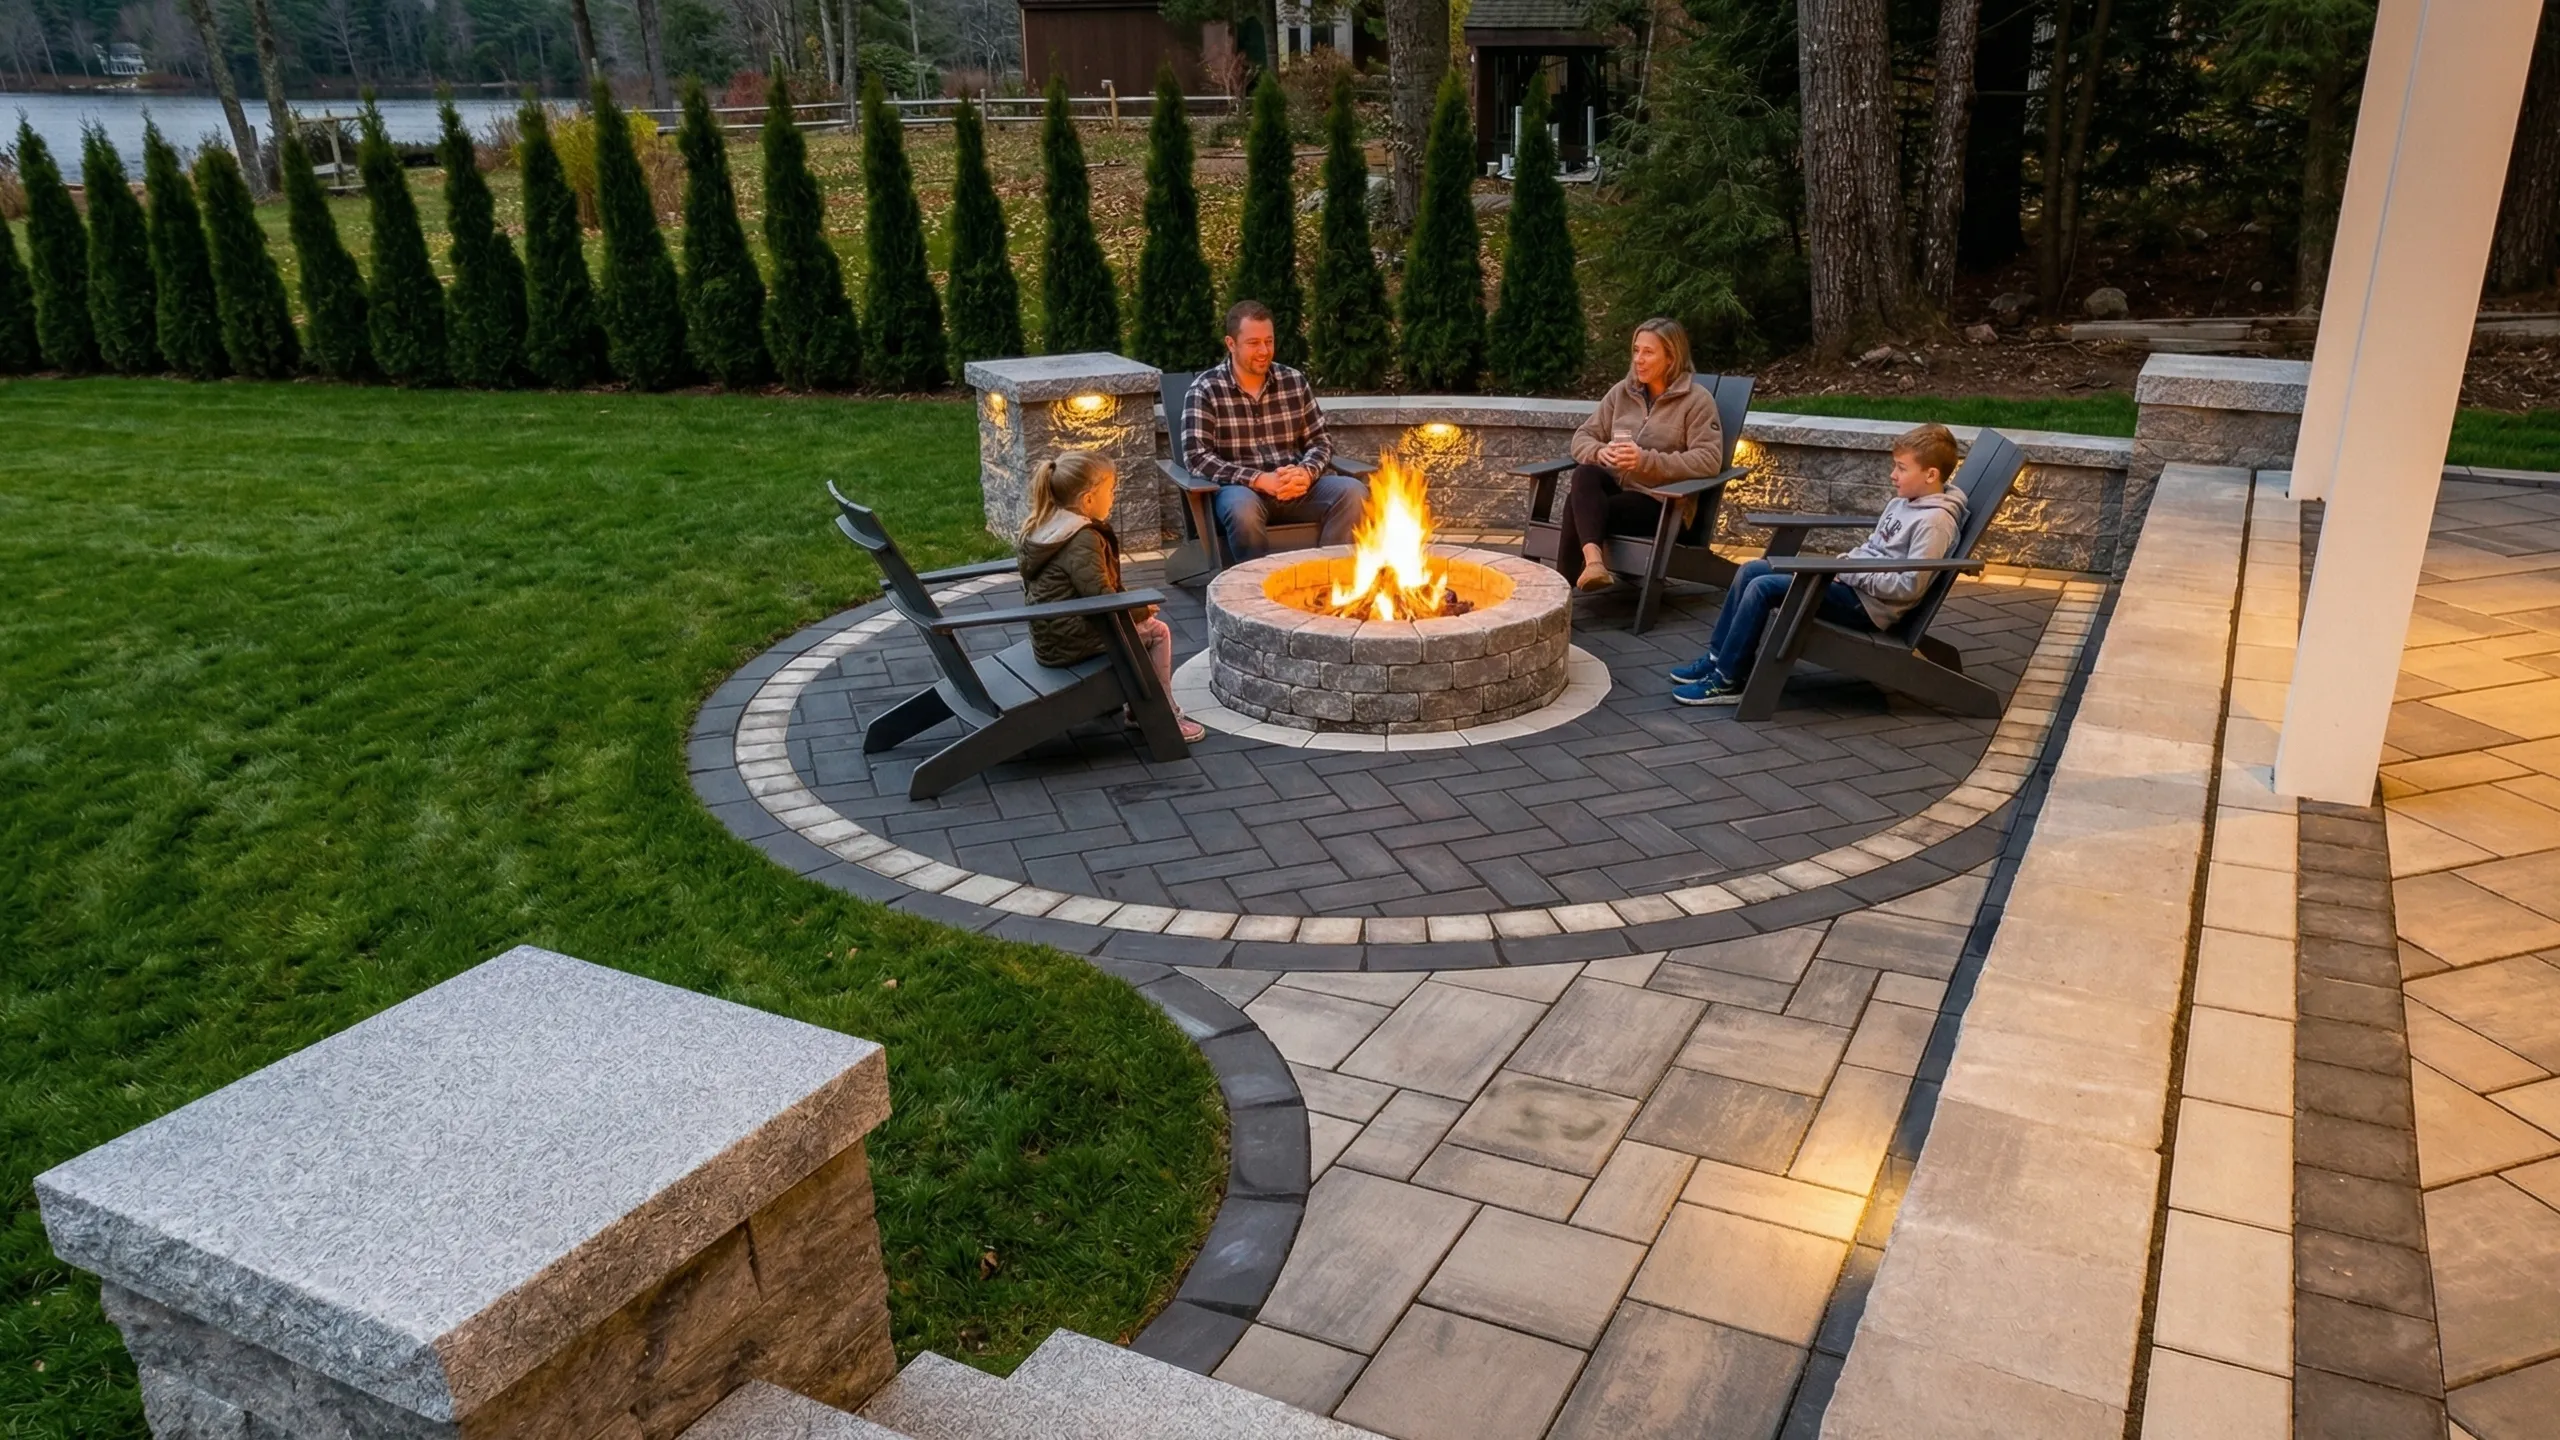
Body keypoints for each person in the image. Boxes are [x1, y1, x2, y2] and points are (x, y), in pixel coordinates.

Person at [1672, 423, 1969, 707]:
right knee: (1751, 569)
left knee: (1763, 588)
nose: (1893, 475)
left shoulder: (1935, 522)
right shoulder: (1903, 502)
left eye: (1902, 468)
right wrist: (1847, 567)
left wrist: (1851, 575)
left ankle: (1728, 680)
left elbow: (1909, 585)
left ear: (1931, 475)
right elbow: (1873, 548)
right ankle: (1718, 658)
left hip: (1869, 607)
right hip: (1852, 583)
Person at [1019, 449, 1206, 743]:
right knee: (1158, 632)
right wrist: (1141, 611)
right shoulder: (1082, 537)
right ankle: (1160, 715)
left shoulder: (1051, 524)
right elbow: (1101, 598)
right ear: (1088, 499)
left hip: (1052, 635)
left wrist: (1134, 606)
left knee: (1139, 622)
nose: (1114, 496)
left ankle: (1136, 705)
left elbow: (1094, 590)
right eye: (1110, 489)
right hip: (1070, 642)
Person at [1183, 299, 1367, 561]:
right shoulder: (1206, 390)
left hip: (1297, 489)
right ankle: (1256, 592)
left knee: (1353, 492)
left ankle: (1327, 577)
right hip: (1241, 491)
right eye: (1253, 343)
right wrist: (1259, 479)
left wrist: (1306, 472)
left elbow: (1320, 441)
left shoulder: (1293, 381)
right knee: (1242, 509)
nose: (1264, 350)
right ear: (1230, 344)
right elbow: (1197, 458)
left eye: (1268, 341)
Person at [1557, 318, 1727, 591]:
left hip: (1662, 505)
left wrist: (1644, 460)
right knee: (1585, 473)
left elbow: (1708, 459)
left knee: (1576, 507)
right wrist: (1602, 452)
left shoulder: (1696, 400)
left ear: (1671, 357)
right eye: (1636, 350)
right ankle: (1593, 564)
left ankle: (1562, 595)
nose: (1638, 359)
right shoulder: (1621, 393)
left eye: (1648, 352)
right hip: (1619, 493)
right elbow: (1581, 438)